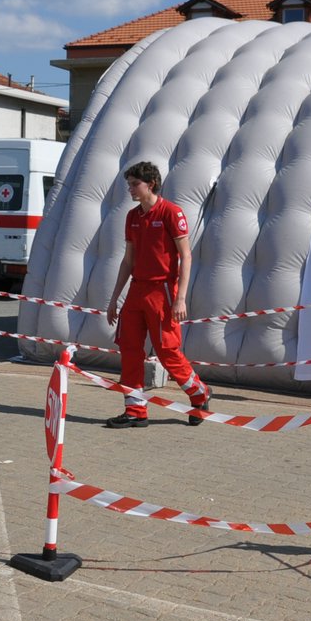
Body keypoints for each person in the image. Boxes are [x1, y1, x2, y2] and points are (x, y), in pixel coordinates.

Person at [105, 161, 210, 429]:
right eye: (128, 184)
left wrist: (180, 298)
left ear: (150, 184)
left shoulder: (171, 212)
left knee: (167, 351)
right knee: (129, 349)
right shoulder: (132, 217)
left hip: (162, 291)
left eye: (134, 184)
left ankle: (199, 393)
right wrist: (115, 297)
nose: (129, 189)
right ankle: (135, 410)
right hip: (137, 290)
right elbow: (127, 261)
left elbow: (186, 257)